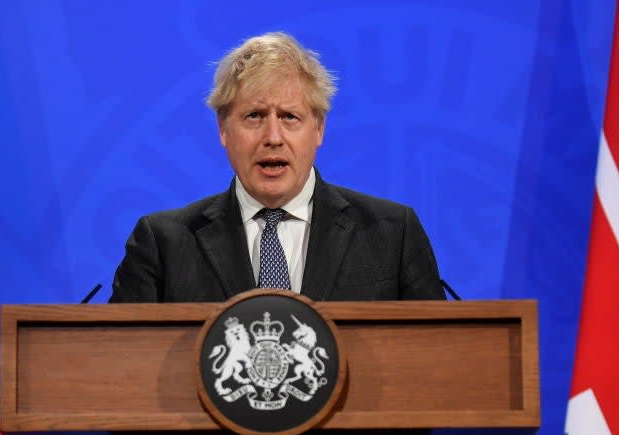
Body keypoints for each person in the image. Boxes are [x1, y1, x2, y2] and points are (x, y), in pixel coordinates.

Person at [109, 32, 446, 303]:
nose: (273, 137)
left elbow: (438, 358)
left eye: (289, 117)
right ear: (223, 130)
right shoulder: (163, 244)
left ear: (318, 129)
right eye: (254, 116)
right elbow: (124, 366)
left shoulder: (392, 234)